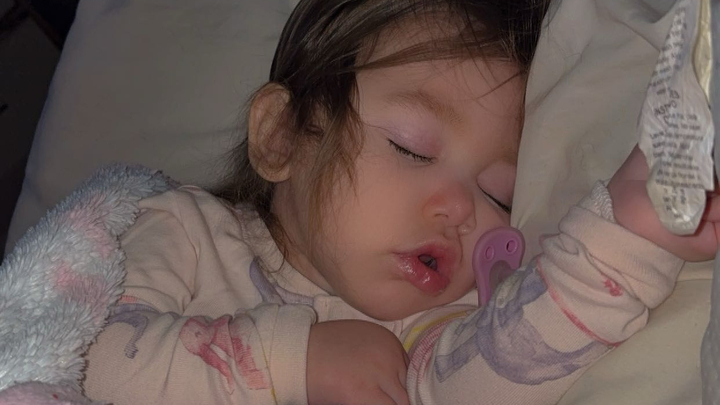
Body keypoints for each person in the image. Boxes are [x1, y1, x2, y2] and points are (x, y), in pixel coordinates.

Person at [83, 0, 720, 404]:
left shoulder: (430, 330)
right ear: (282, 136)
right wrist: (294, 363)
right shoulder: (185, 231)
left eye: (497, 193)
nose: (460, 209)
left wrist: (629, 234)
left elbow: (491, 374)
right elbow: (89, 356)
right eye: (413, 149)